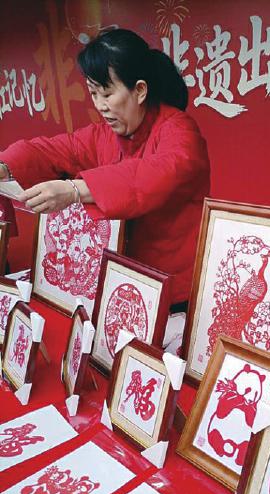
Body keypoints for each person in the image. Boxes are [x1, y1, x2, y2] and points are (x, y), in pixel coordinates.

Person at [0, 28, 210, 310]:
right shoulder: (105, 135)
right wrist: (6, 165)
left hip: (176, 289)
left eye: (107, 94)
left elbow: (155, 174)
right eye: (93, 93)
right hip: (126, 280)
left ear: (140, 90)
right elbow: (53, 150)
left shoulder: (179, 130)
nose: (100, 106)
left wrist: (75, 190)